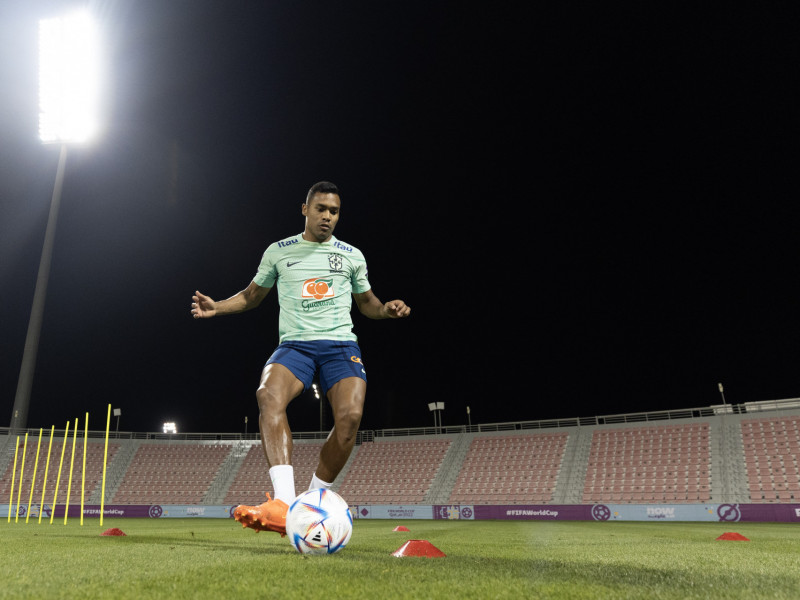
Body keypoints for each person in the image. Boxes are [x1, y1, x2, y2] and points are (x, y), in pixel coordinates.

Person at [190, 181, 410, 536]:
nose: (327, 217)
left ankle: (312, 499)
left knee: (351, 419)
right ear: (305, 209)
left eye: (334, 211)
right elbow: (251, 296)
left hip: (341, 346)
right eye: (321, 208)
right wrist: (218, 307)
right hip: (295, 345)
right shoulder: (279, 251)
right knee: (268, 395)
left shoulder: (352, 255)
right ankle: (282, 502)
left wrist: (386, 309)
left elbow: (367, 304)